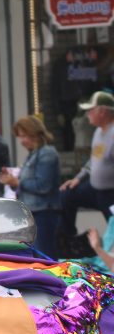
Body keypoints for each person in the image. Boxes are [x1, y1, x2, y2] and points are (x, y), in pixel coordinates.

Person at [0, 116, 60, 257]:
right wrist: (12, 181)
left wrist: (17, 182)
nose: (21, 141)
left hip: (44, 213)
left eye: (24, 136)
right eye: (20, 136)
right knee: (38, 255)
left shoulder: (47, 153)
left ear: (34, 133)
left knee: (45, 256)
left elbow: (44, 186)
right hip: (33, 213)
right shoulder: (33, 154)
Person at [59, 90, 114, 241]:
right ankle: (69, 238)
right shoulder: (98, 132)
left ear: (102, 111)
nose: (87, 114)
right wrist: (78, 178)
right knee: (67, 195)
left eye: (91, 110)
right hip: (95, 189)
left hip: (110, 195)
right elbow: (93, 159)